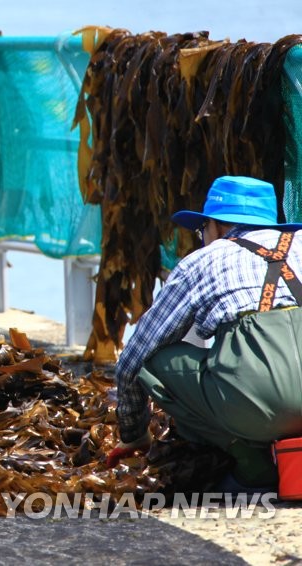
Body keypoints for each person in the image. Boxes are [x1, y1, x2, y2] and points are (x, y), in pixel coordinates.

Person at [106, 175, 302, 491]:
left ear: (215, 225)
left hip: (255, 406)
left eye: (201, 231)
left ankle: (254, 464)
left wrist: (134, 434)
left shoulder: (204, 259)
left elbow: (133, 357)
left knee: (150, 360)